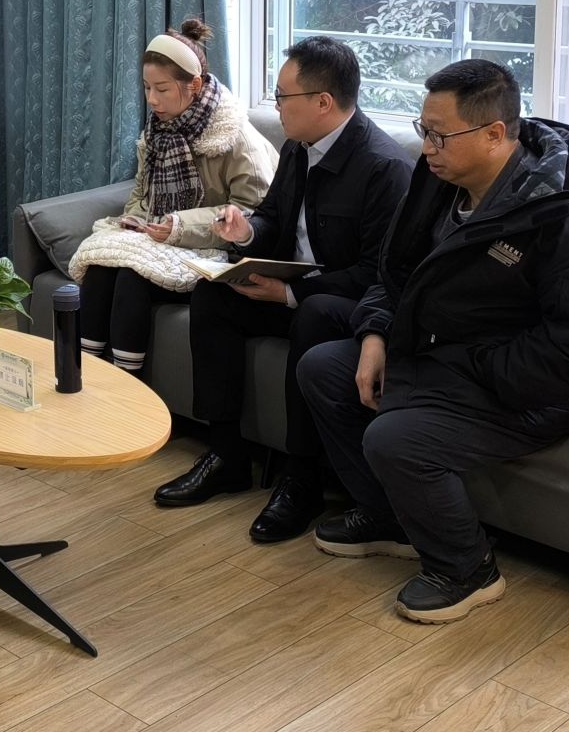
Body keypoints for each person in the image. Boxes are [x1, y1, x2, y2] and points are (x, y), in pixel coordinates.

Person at [297, 59, 569, 623]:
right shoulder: (438, 182)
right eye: (422, 129)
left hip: (526, 391)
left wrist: (454, 366)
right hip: (442, 355)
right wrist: (377, 332)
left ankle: (467, 568)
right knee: (324, 369)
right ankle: (390, 518)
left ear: (494, 134)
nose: (426, 147)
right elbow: (395, 272)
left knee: (395, 438)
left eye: (439, 135)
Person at [153, 36, 408, 545]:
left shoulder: (384, 167)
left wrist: (290, 295)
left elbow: (378, 274)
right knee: (213, 294)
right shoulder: (297, 148)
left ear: (323, 102)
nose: (275, 107)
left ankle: (302, 479)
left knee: (314, 312)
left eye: (282, 97)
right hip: (293, 285)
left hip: (343, 305)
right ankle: (226, 455)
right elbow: (272, 216)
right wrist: (246, 232)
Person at [75, 18, 276, 372]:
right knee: (101, 268)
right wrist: (137, 219)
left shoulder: (236, 137)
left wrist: (180, 226)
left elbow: (254, 214)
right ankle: (83, 375)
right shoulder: (158, 131)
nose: (152, 99)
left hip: (216, 251)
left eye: (162, 89)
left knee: (132, 276)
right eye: (146, 87)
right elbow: (142, 193)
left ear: (194, 85)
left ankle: (128, 387)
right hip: (164, 243)